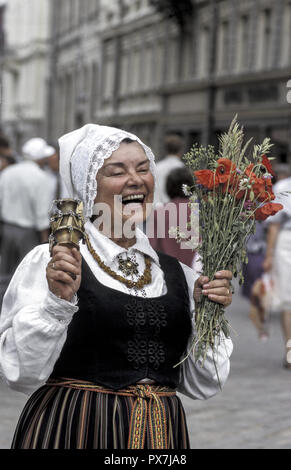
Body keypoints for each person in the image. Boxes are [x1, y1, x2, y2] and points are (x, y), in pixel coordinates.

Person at [0, 124, 233, 450]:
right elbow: (21, 372)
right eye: (116, 171)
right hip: (75, 427)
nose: (136, 179)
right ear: (88, 186)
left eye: (142, 169)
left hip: (160, 434)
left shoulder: (177, 273)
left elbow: (207, 383)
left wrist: (207, 314)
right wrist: (56, 302)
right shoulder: (55, 262)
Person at [0, 138, 54, 305]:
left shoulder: (8, 172)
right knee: (27, 275)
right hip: (28, 233)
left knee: (5, 272)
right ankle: (20, 309)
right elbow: (42, 213)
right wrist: (45, 241)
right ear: (41, 158)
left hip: (7, 228)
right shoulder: (41, 177)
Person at [263, 171, 291, 368]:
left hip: (286, 241)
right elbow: (274, 225)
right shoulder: (283, 188)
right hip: (287, 241)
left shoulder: (283, 187)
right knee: (288, 299)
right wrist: (270, 255)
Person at [149, 166, 196, 267]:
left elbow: (152, 248)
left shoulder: (159, 212)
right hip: (196, 273)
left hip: (168, 272)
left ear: (168, 187)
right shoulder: (199, 212)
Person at [154, 133, 186, 205]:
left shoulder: (157, 167)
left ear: (166, 149)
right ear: (181, 150)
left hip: (159, 209)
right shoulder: (184, 169)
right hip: (180, 211)